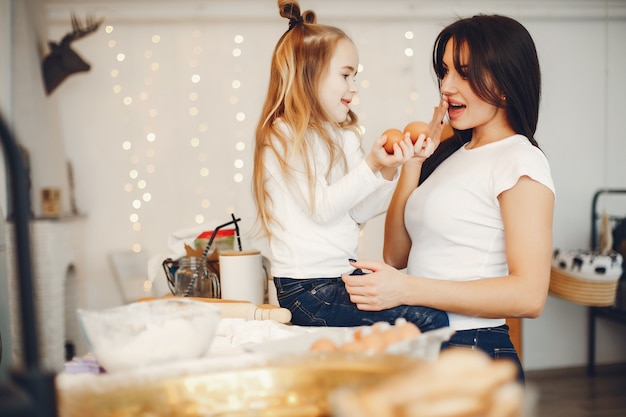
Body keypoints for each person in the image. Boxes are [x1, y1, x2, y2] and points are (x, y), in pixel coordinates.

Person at [343, 14, 555, 382]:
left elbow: (529, 295)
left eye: (465, 73)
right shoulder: (452, 153)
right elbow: (397, 254)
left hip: (473, 349)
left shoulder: (520, 159)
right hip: (424, 339)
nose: (446, 86)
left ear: (505, 85)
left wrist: (406, 289)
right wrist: (414, 164)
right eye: (444, 72)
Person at [252, 0, 449, 332]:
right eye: (345, 75)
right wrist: (370, 165)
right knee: (427, 320)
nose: (354, 87)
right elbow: (323, 209)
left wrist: (387, 169)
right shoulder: (284, 135)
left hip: (337, 277)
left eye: (354, 76)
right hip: (306, 289)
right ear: (308, 76)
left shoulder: (340, 136)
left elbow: (357, 213)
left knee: (424, 307)